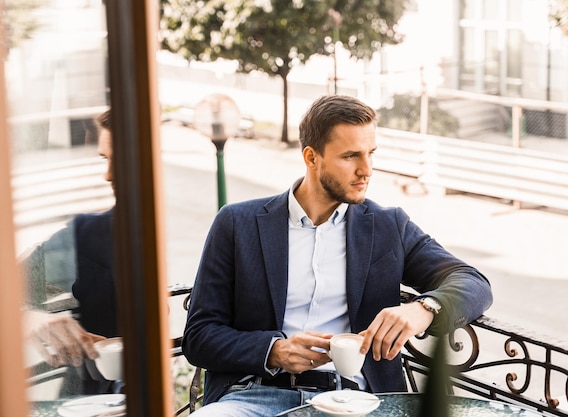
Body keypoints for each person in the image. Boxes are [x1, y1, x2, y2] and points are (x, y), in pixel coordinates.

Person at [182, 94, 493, 417]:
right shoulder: (237, 223)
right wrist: (274, 351)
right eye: (350, 156)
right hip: (253, 397)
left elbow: (473, 282)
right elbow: (200, 336)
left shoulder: (388, 226)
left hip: (355, 403)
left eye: (370, 153)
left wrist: (424, 309)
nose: (366, 170)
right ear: (311, 157)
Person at [21, 109, 120, 395]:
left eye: (120, 161)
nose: (108, 175)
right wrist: (30, 319)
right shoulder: (88, 234)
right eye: (105, 159)